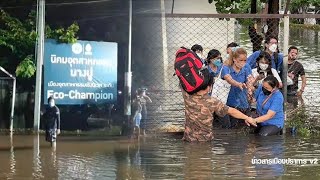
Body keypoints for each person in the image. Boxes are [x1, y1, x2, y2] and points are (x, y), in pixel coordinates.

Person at [181, 74, 257, 142]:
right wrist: (247, 117)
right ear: (209, 87)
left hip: (189, 138)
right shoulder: (213, 102)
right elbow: (231, 111)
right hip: (205, 139)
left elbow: (183, 81)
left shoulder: (188, 96)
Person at [220, 47, 254, 128]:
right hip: (227, 101)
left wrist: (250, 89)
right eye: (241, 60)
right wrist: (238, 84)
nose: (243, 62)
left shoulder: (246, 67)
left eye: (245, 60)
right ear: (234, 59)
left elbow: (249, 80)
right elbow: (229, 79)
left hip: (242, 101)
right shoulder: (226, 67)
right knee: (229, 126)